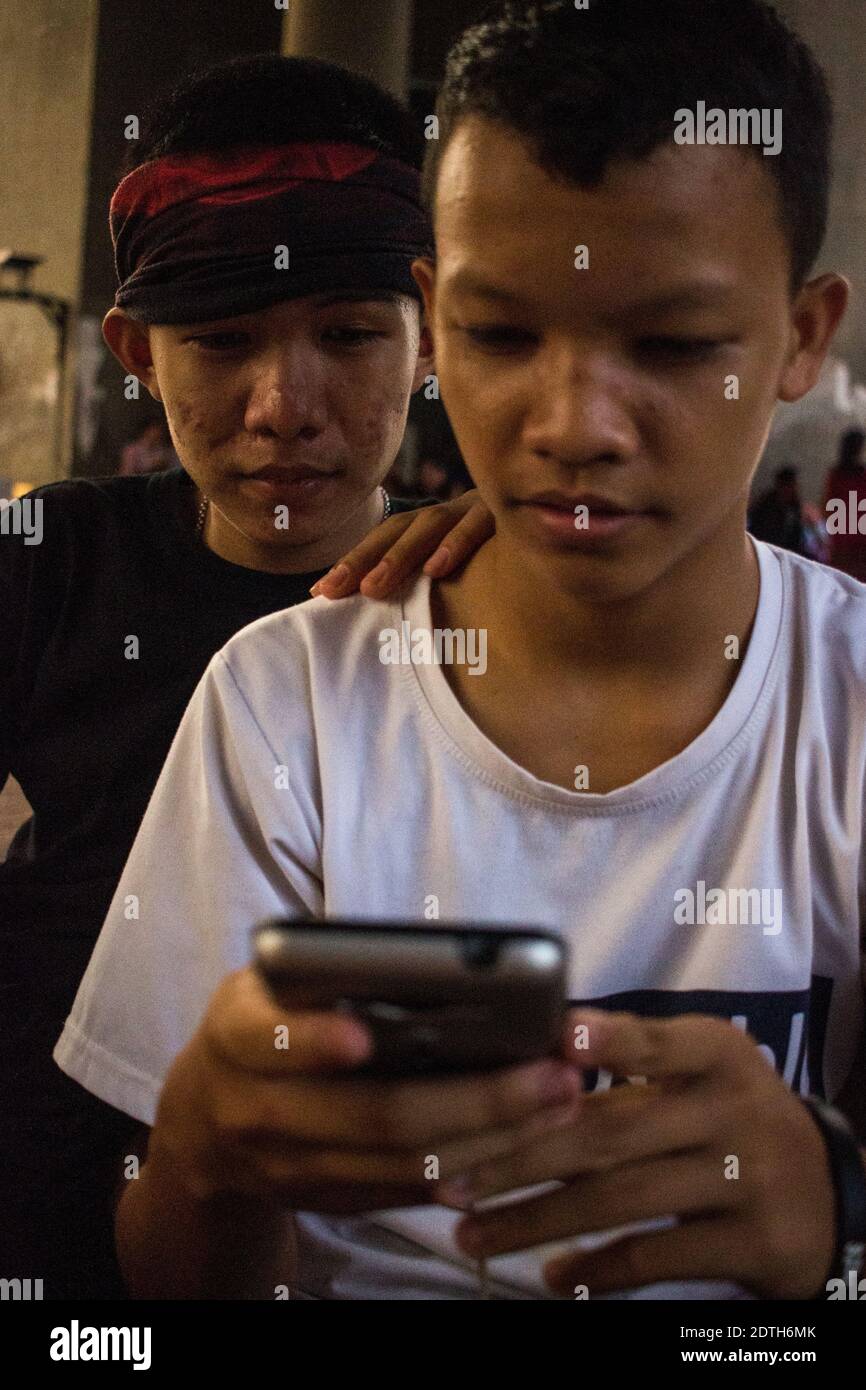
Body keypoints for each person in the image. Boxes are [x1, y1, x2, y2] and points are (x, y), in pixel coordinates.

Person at [56, 0, 866, 1301]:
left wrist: (832, 1219)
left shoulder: (844, 707)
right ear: (440, 322)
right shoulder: (287, 699)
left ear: (802, 337)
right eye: (502, 336)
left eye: (669, 344)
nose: (574, 424)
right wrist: (207, 1147)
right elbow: (173, 1283)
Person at [0, 54, 494, 1299]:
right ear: (136, 352)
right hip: (43, 1206)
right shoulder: (51, 564)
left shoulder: (489, 597)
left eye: (346, 335)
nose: (285, 405)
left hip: (334, 1235)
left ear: (425, 334)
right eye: (220, 341)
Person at [824, 427, 866, 580]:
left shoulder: (836, 476)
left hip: (844, 545)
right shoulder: (839, 477)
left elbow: (828, 510)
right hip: (850, 546)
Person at [748, 466, 807, 553]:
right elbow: (759, 531)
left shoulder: (794, 507)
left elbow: (796, 535)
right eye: (789, 486)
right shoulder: (766, 505)